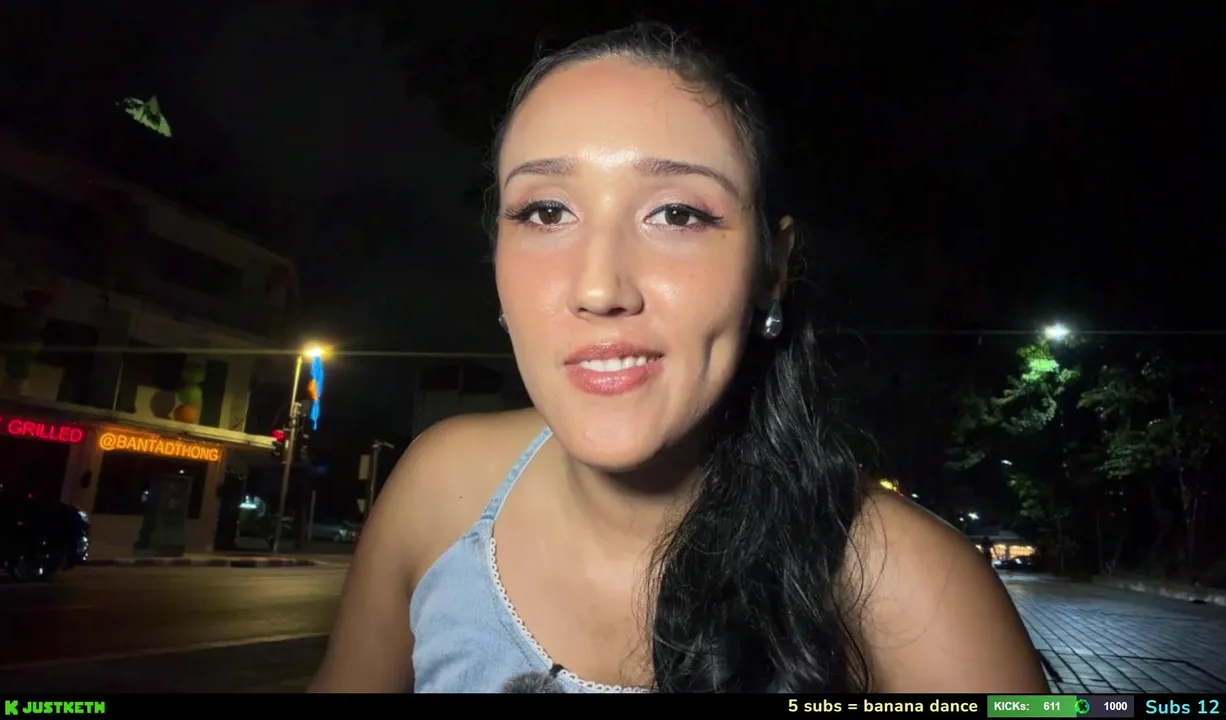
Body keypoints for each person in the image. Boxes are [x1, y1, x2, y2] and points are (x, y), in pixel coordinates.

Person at [311, 23, 1047, 694]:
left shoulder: (917, 594)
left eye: (677, 214)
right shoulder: (439, 489)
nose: (599, 288)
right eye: (546, 211)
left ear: (771, 269)